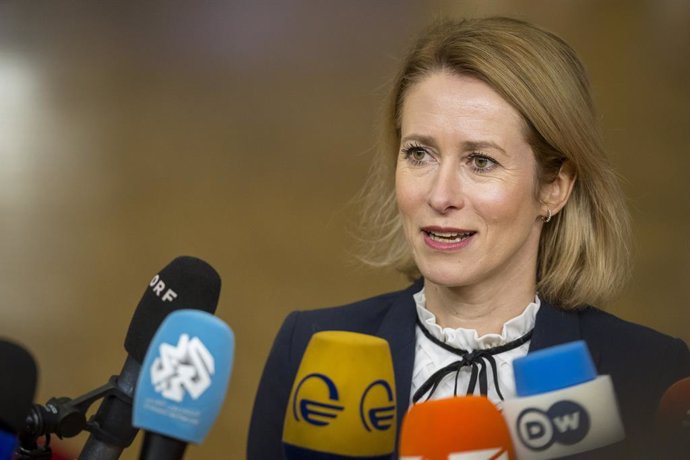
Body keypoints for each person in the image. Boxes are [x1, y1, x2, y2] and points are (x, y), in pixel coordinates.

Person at [248, 17, 690, 459]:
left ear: (555, 187)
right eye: (419, 153)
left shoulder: (647, 374)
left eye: (480, 161)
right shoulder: (311, 348)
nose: (440, 195)